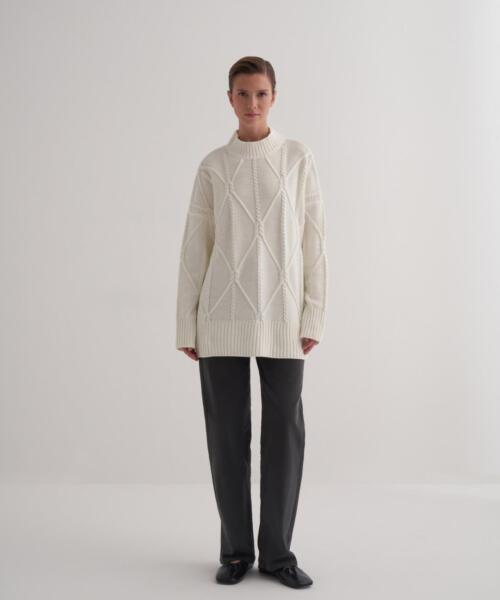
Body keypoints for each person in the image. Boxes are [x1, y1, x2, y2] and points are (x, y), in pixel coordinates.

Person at [175, 56, 328, 588]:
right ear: (230, 98)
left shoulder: (297, 157)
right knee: (226, 437)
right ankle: (237, 551)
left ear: (274, 96)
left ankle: (278, 555)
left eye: (261, 94)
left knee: (284, 435)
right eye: (242, 94)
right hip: (220, 317)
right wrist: (186, 322)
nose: (252, 103)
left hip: (284, 316)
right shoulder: (213, 166)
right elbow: (195, 248)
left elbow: (314, 239)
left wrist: (314, 310)